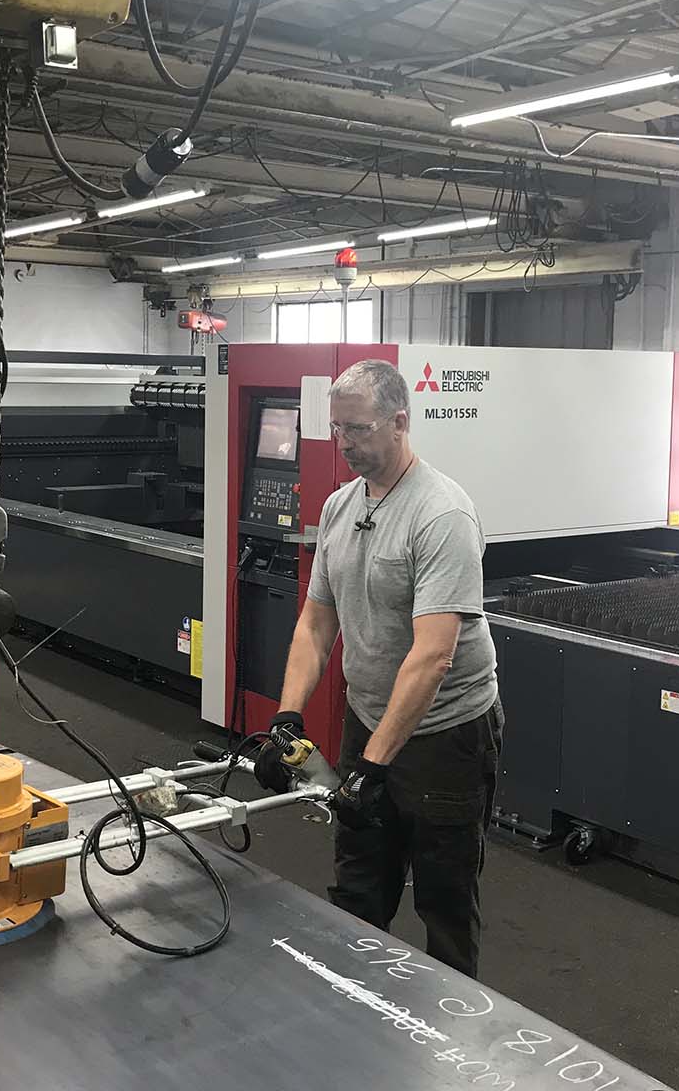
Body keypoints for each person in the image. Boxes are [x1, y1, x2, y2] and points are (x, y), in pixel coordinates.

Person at [254, 358, 503, 977]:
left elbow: (434, 655)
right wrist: (287, 717)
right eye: (337, 429)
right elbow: (316, 623)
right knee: (359, 881)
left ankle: (450, 1023)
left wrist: (372, 766)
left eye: (359, 429)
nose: (345, 444)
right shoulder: (341, 506)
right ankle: (354, 1007)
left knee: (444, 898)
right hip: (369, 719)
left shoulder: (441, 514)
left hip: (446, 734)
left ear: (399, 422)